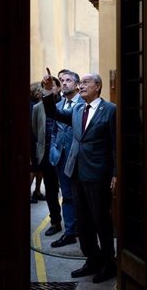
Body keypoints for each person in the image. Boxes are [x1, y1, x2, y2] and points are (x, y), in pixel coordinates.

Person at [42, 71, 117, 284]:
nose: (81, 86)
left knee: (100, 220)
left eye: (86, 82)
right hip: (75, 171)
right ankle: (92, 259)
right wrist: (48, 90)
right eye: (81, 83)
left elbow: (116, 144)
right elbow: (52, 114)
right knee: (83, 221)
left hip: (98, 174)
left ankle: (109, 264)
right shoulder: (76, 109)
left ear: (98, 87)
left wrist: (115, 172)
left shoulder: (110, 110)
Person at [48, 69, 84, 248]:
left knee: (82, 196)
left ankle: (84, 231)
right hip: (61, 157)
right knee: (67, 196)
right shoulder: (59, 104)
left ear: (77, 85)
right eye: (61, 80)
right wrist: (53, 149)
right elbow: (54, 130)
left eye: (68, 80)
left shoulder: (84, 104)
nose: (63, 83)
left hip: (79, 158)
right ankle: (70, 232)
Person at [32, 75, 63, 236]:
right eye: (49, 87)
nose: (52, 89)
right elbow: (36, 132)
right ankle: (55, 222)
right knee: (51, 191)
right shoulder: (38, 108)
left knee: (69, 191)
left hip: (63, 155)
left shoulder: (65, 105)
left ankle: (74, 225)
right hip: (46, 155)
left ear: (58, 89)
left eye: (55, 86)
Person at [29, 82, 44, 203]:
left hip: (36, 141)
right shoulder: (33, 106)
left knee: (38, 167)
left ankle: (37, 191)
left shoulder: (36, 105)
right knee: (33, 168)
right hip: (33, 141)